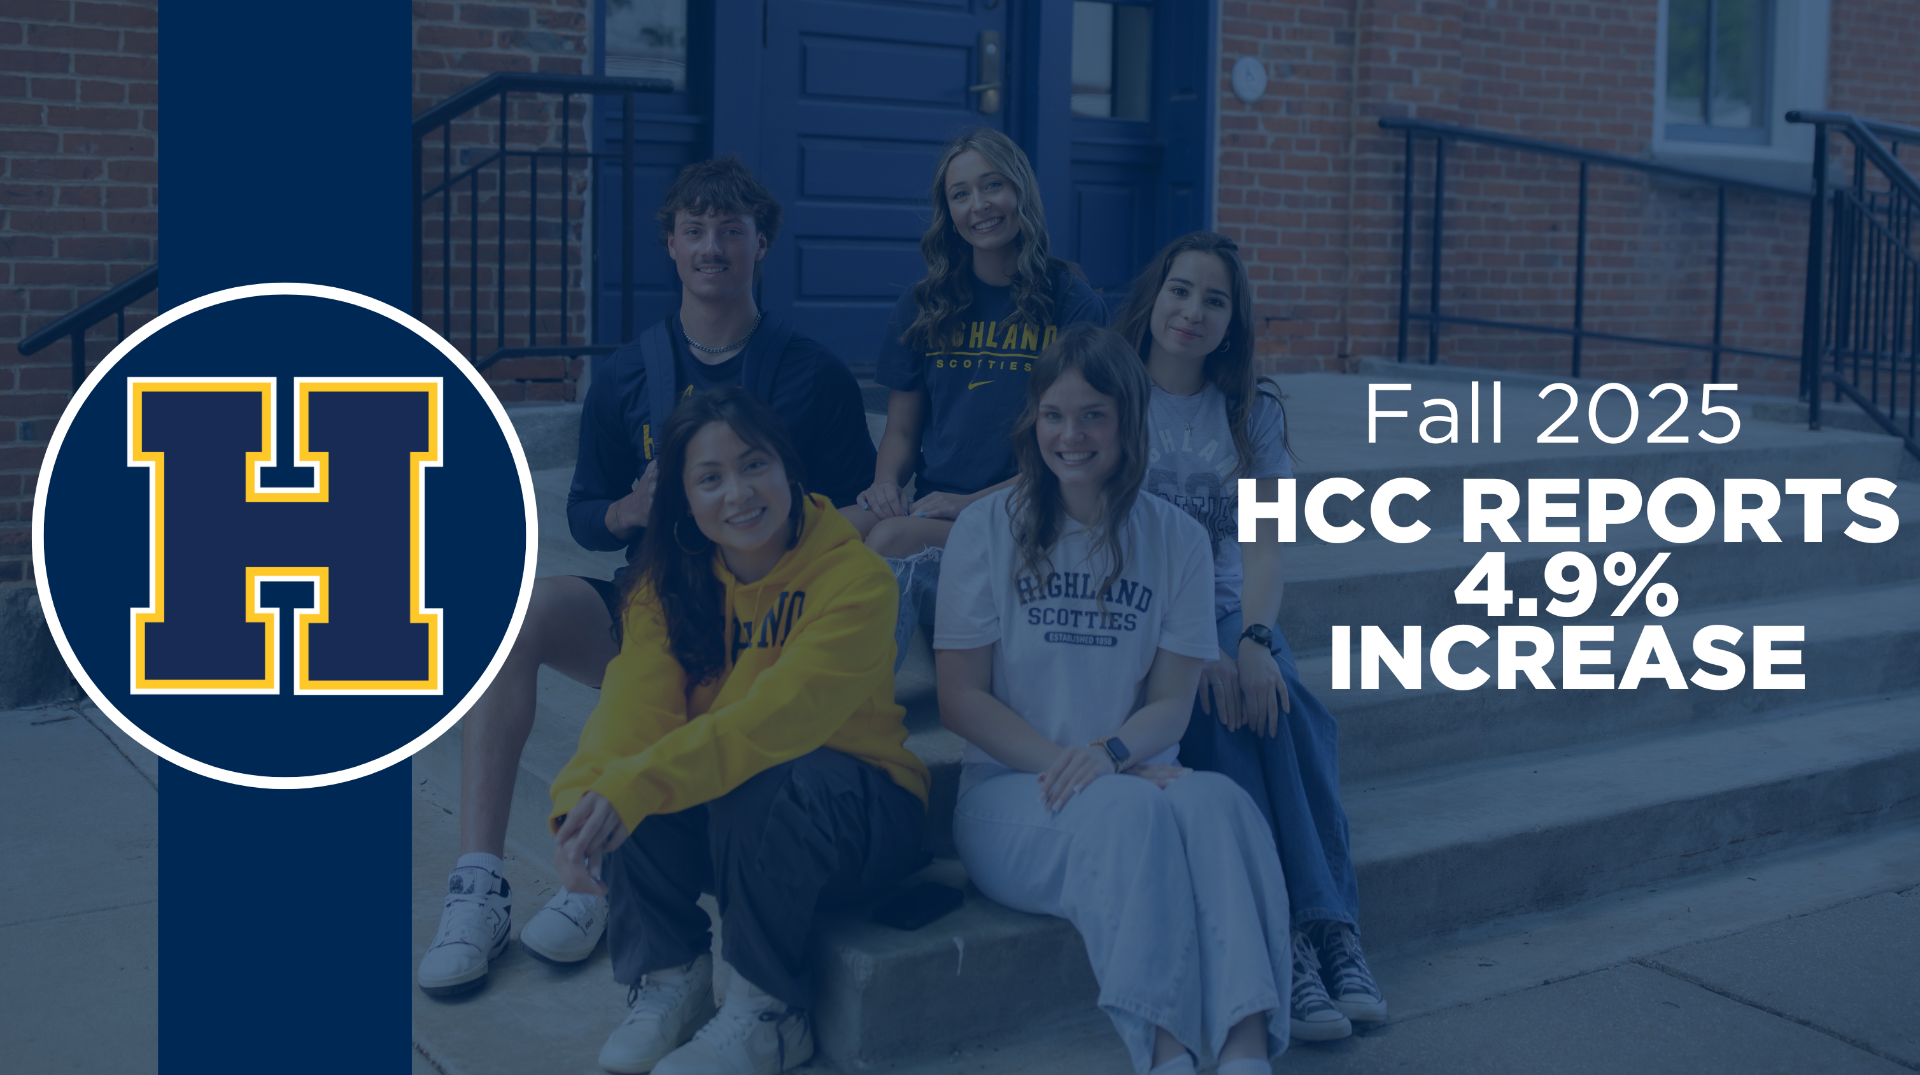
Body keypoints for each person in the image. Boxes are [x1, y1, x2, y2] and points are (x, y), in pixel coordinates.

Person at [417, 156, 878, 999]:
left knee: (668, 710)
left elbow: (856, 515)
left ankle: (598, 871)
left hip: (763, 628)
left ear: (760, 244)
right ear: (670, 244)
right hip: (653, 608)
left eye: (730, 231)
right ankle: (479, 883)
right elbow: (586, 513)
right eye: (695, 230)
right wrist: (627, 513)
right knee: (515, 617)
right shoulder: (628, 373)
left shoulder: (813, 375)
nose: (712, 248)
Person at [934, 323, 1294, 1075]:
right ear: (1034, 420)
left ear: (1130, 424)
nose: (1072, 434)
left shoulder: (1177, 541)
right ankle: (1165, 1050)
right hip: (1011, 792)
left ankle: (1244, 1046)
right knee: (1129, 813)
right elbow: (961, 700)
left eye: (1094, 414)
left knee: (1223, 803)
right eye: (1056, 414)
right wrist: (1084, 766)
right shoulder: (984, 529)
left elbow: (1171, 699)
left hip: (1129, 773)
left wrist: (1113, 754)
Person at [550, 386, 928, 1075]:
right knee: (628, 776)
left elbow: (777, 720)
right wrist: (580, 809)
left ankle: (769, 1011)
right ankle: (672, 982)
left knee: (746, 774)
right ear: (686, 503)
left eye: (754, 465)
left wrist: (637, 783)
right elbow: (630, 710)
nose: (739, 492)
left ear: (788, 470)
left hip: (861, 812)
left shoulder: (857, 580)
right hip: (738, 820)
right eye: (710, 477)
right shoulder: (664, 586)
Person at [1114, 231, 1387, 1040]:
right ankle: (1291, 939)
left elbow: (1265, 547)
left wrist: (1255, 640)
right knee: (1225, 723)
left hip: (1232, 603)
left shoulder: (1250, 409)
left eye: (1214, 300)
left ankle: (1330, 932)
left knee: (1285, 699)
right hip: (1146, 609)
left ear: (1233, 322)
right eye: (1180, 291)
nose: (1192, 312)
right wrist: (1196, 647)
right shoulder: (1114, 392)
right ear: (1153, 298)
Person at [844, 127, 1108, 560]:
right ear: (947, 212)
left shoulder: (1073, 305)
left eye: (992, 185)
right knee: (821, 535)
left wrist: (970, 505)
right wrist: (886, 483)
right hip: (934, 502)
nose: (979, 205)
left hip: (1028, 506)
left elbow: (1074, 447)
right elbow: (903, 429)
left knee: (889, 540)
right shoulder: (922, 305)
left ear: (1020, 191)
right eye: (961, 194)